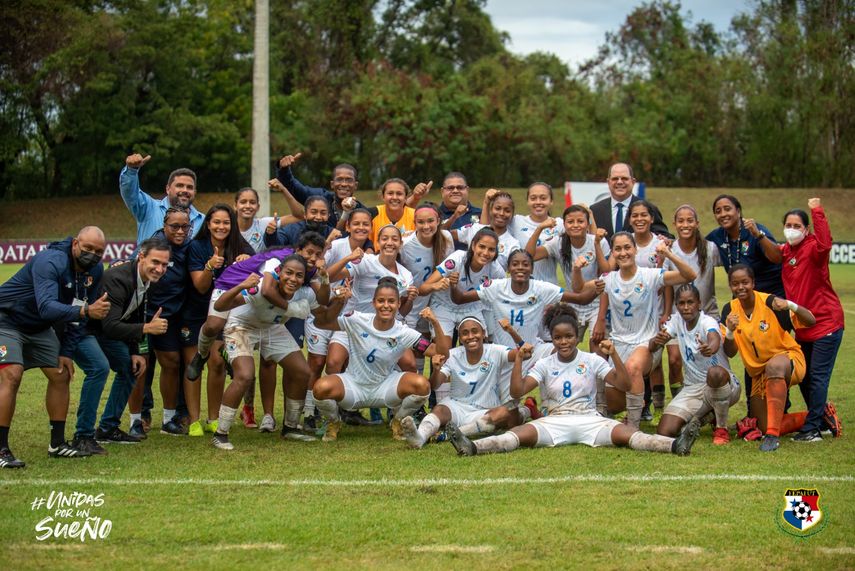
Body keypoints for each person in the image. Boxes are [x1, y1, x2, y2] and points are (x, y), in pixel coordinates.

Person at [447, 304, 699, 457]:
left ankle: (676, 445)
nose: (563, 342)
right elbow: (518, 391)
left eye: (568, 337)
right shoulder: (545, 363)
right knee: (517, 435)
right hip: (554, 420)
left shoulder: (592, 360)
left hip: (590, 419)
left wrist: (613, 357)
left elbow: (623, 384)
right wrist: (520, 362)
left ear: (577, 337)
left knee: (630, 435)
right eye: (558, 338)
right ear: (553, 339)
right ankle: (472, 447)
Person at [0, 227, 111, 467]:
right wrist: (85, 310)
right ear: (74, 244)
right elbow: (48, 307)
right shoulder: (51, 261)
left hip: (38, 327)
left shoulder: (94, 271)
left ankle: (58, 444)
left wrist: (66, 351)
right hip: (6, 320)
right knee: (12, 374)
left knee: (61, 374)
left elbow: (79, 311)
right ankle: (1, 450)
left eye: (98, 251)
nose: (92, 255)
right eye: (87, 248)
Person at [209, 255, 333, 449]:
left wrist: (338, 298)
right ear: (279, 272)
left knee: (302, 372)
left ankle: (290, 427)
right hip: (242, 326)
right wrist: (241, 286)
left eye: (299, 276)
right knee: (244, 375)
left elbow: (323, 316)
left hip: (272, 328)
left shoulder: (305, 293)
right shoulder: (259, 287)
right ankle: (221, 433)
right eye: (289, 273)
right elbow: (219, 306)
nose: (293, 279)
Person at [312, 280, 451, 441]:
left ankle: (398, 421)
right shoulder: (356, 320)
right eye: (381, 301)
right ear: (373, 303)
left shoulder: (404, 332)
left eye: (391, 301)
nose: (386, 305)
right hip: (354, 386)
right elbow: (321, 322)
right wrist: (339, 301)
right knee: (320, 388)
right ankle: (334, 422)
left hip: (386, 388)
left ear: (399, 304)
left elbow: (441, 353)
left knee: (422, 385)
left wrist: (435, 322)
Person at [590, 232, 696, 429]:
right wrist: (579, 269)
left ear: (635, 249)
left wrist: (669, 254)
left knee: (633, 368)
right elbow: (580, 288)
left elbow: (690, 275)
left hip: (647, 344)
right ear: (612, 252)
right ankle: (613, 412)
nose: (623, 253)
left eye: (627, 247)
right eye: (618, 249)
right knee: (613, 399)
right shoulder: (608, 279)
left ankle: (633, 425)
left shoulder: (650, 275)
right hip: (619, 344)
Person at [720, 264, 818, 452]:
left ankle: (772, 437)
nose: (740, 287)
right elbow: (730, 352)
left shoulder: (770, 303)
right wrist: (730, 332)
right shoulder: (729, 311)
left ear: (753, 283)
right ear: (730, 286)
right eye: (735, 284)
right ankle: (817, 416)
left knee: (774, 366)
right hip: (760, 373)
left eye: (745, 282)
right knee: (763, 425)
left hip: (789, 360)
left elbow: (811, 320)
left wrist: (791, 305)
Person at [400, 316, 529, 449]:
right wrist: (437, 370)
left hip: (485, 410)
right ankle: (419, 437)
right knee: (439, 410)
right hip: (457, 406)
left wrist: (511, 331)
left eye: (475, 331)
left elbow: (525, 354)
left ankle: (452, 434)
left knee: (503, 413)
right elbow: (435, 385)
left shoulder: (495, 351)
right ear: (460, 338)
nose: (471, 336)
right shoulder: (452, 355)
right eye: (465, 333)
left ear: (483, 333)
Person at [181, 204, 254, 437]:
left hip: (225, 314)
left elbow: (257, 269)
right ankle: (194, 420)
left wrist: (247, 259)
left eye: (226, 222)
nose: (221, 227)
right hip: (196, 312)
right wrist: (210, 265)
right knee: (194, 364)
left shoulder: (239, 245)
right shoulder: (197, 246)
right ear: (208, 224)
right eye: (217, 222)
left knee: (218, 363)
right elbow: (201, 287)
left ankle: (213, 418)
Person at [93, 238, 170, 445]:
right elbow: (109, 325)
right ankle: (83, 433)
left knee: (131, 367)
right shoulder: (118, 278)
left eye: (164, 264)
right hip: (89, 331)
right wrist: (147, 328)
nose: (160, 269)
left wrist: (135, 350)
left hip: (110, 332)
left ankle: (108, 428)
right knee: (97, 370)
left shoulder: (146, 278)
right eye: (155, 262)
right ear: (141, 257)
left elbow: (136, 315)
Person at [780, 198, 844, 442]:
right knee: (804, 376)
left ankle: (813, 429)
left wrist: (817, 211)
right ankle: (823, 421)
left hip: (827, 323)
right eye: (788, 224)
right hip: (803, 327)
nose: (792, 229)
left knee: (817, 376)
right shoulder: (786, 251)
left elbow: (826, 242)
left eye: (797, 225)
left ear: (806, 230)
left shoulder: (814, 248)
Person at [450, 249, 601, 348]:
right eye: (515, 264)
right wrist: (453, 285)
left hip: (533, 349)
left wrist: (597, 290)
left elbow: (581, 299)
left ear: (532, 268)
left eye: (525, 264)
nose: (520, 267)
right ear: (508, 268)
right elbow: (460, 298)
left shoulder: (541, 288)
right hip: (503, 352)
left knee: (562, 351)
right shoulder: (495, 287)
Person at [648, 285, 740, 445]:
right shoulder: (676, 320)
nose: (686, 307)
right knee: (665, 431)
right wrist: (657, 341)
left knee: (715, 373)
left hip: (724, 384)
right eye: (681, 303)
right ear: (676, 305)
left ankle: (721, 429)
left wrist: (709, 348)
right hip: (693, 388)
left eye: (690, 302)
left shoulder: (707, 321)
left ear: (699, 303)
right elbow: (652, 346)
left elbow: (714, 339)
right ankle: (706, 416)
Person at [662, 205, 722, 400]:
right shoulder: (670, 249)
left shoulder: (710, 248)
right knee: (674, 360)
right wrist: (666, 311)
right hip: (678, 314)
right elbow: (668, 284)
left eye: (690, 220)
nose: (685, 224)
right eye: (681, 221)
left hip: (707, 313)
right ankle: (679, 397)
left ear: (697, 223)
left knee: (710, 360)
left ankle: (712, 400)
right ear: (674, 224)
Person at [527, 205, 610, 343]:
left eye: (580, 221)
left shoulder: (597, 241)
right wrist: (539, 228)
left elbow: (606, 272)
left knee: (598, 345)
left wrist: (596, 244)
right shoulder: (558, 243)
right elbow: (529, 256)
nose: (575, 225)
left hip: (597, 302)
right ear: (564, 224)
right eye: (570, 222)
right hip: (573, 303)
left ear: (587, 223)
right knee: (564, 347)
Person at [706, 194, 784, 296]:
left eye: (727, 209)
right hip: (742, 297)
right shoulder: (717, 235)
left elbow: (777, 258)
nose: (723, 214)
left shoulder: (755, 230)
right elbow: (695, 246)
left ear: (738, 212)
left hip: (772, 296)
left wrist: (759, 236)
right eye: (718, 211)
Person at [120, 153, 204, 244]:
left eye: (190, 187)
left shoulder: (203, 220)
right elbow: (130, 193)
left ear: (195, 192)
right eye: (180, 186)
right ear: (168, 189)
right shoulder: (149, 208)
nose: (185, 190)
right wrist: (131, 171)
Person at [275, 152, 365, 228]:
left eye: (349, 180)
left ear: (355, 185)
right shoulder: (320, 197)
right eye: (339, 179)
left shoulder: (362, 211)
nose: (344, 184)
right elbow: (294, 187)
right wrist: (284, 169)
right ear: (332, 184)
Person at [589, 163, 670, 239]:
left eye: (624, 178)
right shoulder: (595, 210)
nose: (619, 182)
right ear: (608, 182)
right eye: (615, 179)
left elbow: (665, 237)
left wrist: (664, 240)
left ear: (633, 182)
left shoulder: (649, 208)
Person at [508, 182, 564, 283]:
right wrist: (486, 203)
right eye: (533, 198)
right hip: (520, 287)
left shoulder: (560, 224)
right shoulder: (516, 221)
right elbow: (486, 229)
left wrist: (589, 215)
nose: (538, 202)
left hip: (548, 289)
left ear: (551, 201)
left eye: (543, 198)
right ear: (528, 201)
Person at [457, 189, 520, 269]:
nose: (501, 213)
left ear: (512, 214)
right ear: (490, 210)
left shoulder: (513, 244)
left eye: (507, 211)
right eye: (497, 208)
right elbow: (445, 235)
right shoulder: (475, 228)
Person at [236, 181, 304, 254]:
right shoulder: (227, 226)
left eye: (252, 202)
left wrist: (284, 190)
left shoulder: (264, 223)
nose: (248, 206)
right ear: (235, 206)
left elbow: (299, 217)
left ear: (258, 207)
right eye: (243, 202)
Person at [437, 172, 482, 245]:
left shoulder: (480, 214)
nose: (455, 191)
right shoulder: (434, 214)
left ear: (467, 190)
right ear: (442, 191)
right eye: (450, 188)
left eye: (460, 187)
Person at [366, 178, 417, 243]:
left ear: (406, 198)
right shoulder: (372, 214)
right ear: (383, 196)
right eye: (390, 193)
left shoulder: (415, 215)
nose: (394, 197)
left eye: (399, 194)